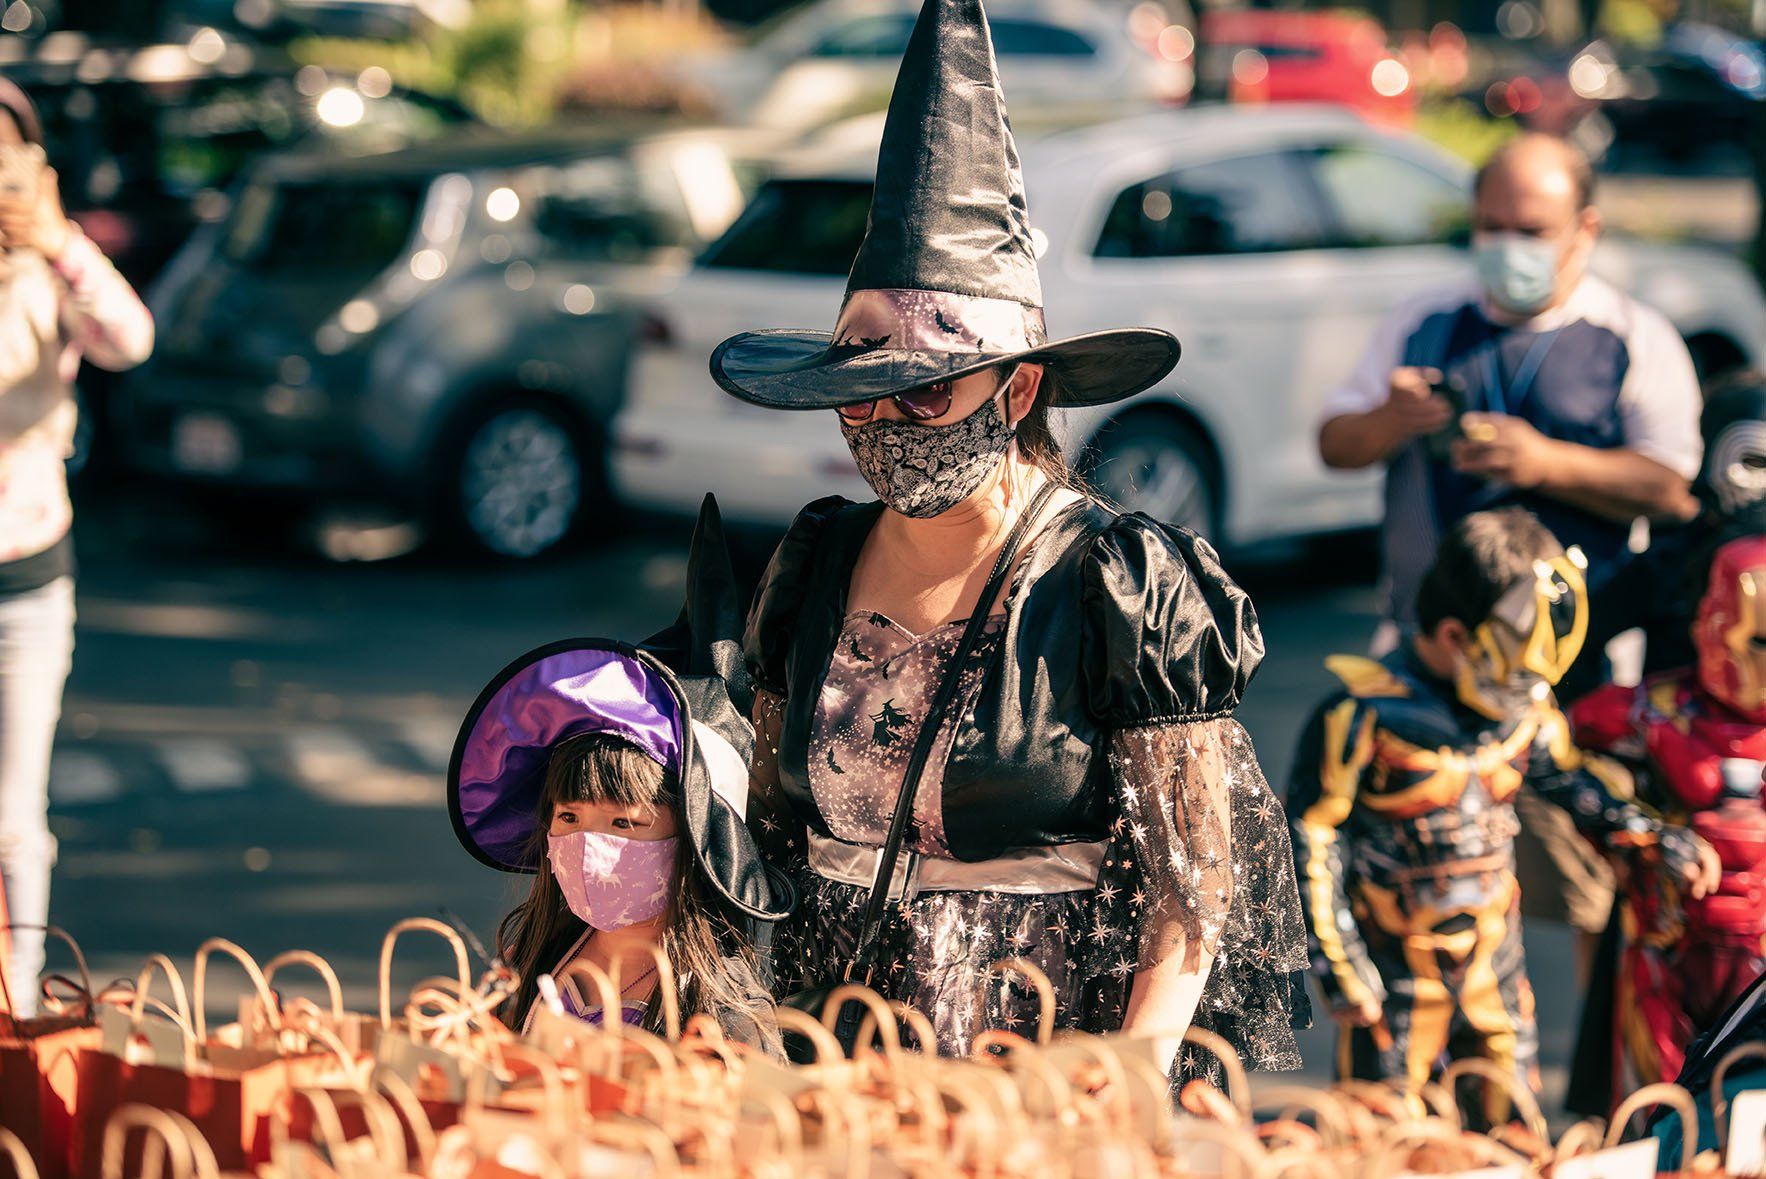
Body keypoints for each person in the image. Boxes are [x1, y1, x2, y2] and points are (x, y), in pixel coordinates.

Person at [720, 0, 1309, 1080]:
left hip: (1037, 1066)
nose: (888, 428)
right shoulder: (813, 562)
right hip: (829, 1061)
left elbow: (1190, 876)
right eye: (861, 401)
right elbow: (760, 825)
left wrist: (1130, 1070)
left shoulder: (1115, 582)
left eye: (928, 397)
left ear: (1017, 387)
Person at [1317, 132, 1704, 973]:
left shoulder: (1632, 336)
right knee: (1421, 888)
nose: (1505, 249)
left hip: (1573, 679)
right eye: (1489, 227)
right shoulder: (1426, 325)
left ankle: (1598, 1082)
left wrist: (1546, 463)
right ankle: (1419, 1085)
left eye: (1530, 230)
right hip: (1426, 677)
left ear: (1584, 229)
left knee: (1595, 890)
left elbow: (1675, 490)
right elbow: (1336, 442)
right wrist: (1391, 421)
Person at [1287, 507, 1718, 1099]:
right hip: (1397, 974)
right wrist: (1336, 964)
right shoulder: (1362, 716)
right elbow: (1311, 837)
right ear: (1455, 637)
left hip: (1495, 968)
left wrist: (1650, 833)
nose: (1526, 700)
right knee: (1385, 1142)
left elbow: (1576, 786)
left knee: (1515, 1135)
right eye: (1512, 679)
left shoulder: (1524, 715)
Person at [449, 498, 792, 1049]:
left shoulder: (718, 1009)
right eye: (568, 815)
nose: (590, 845)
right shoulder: (536, 959)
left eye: (625, 823)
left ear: (693, 836)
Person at [0, 79, 151, 1016]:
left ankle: (14, 1003)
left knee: (16, 809)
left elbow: (129, 339)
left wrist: (57, 240)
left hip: (28, 581)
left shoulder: (50, 267)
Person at [1567, 533, 1766, 1113]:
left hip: (1758, 957)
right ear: (1714, 622)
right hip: (1668, 947)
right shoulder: (1652, 709)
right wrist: (1633, 830)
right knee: (1654, 1111)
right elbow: (1552, 754)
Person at [1560, 372, 1766, 702]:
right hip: (1676, 742)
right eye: (1757, 462)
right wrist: (1620, 714)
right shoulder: (1673, 558)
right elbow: (1579, 642)